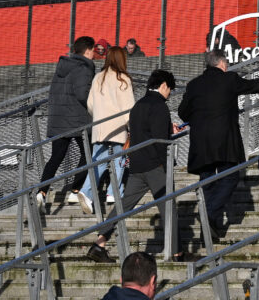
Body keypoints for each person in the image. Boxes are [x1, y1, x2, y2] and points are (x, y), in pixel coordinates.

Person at [178, 50, 259, 243]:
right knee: (230, 177)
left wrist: (200, 116)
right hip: (225, 140)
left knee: (207, 183)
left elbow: (183, 113)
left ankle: (208, 230)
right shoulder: (229, 79)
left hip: (201, 143)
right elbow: (254, 85)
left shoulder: (194, 85)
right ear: (222, 63)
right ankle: (210, 214)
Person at [87, 70, 183, 263]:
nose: (169, 94)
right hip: (155, 165)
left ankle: (99, 243)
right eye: (170, 90)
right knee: (169, 207)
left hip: (137, 165)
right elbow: (159, 140)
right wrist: (166, 161)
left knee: (123, 207)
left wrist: (166, 128)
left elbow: (145, 132)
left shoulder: (138, 106)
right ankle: (175, 253)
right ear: (164, 85)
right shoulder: (160, 106)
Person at [40, 36, 98, 212]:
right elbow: (82, 94)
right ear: (88, 50)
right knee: (89, 152)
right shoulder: (84, 68)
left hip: (59, 118)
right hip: (78, 120)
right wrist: (95, 108)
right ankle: (76, 189)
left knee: (56, 156)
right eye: (94, 50)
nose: (95, 54)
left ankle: (41, 192)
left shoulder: (62, 67)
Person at [87, 46, 134, 217]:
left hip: (99, 127)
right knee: (119, 160)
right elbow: (129, 108)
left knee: (97, 161)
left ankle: (88, 192)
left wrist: (99, 116)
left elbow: (90, 104)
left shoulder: (98, 77)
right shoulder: (123, 79)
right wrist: (131, 127)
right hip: (117, 127)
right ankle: (113, 193)